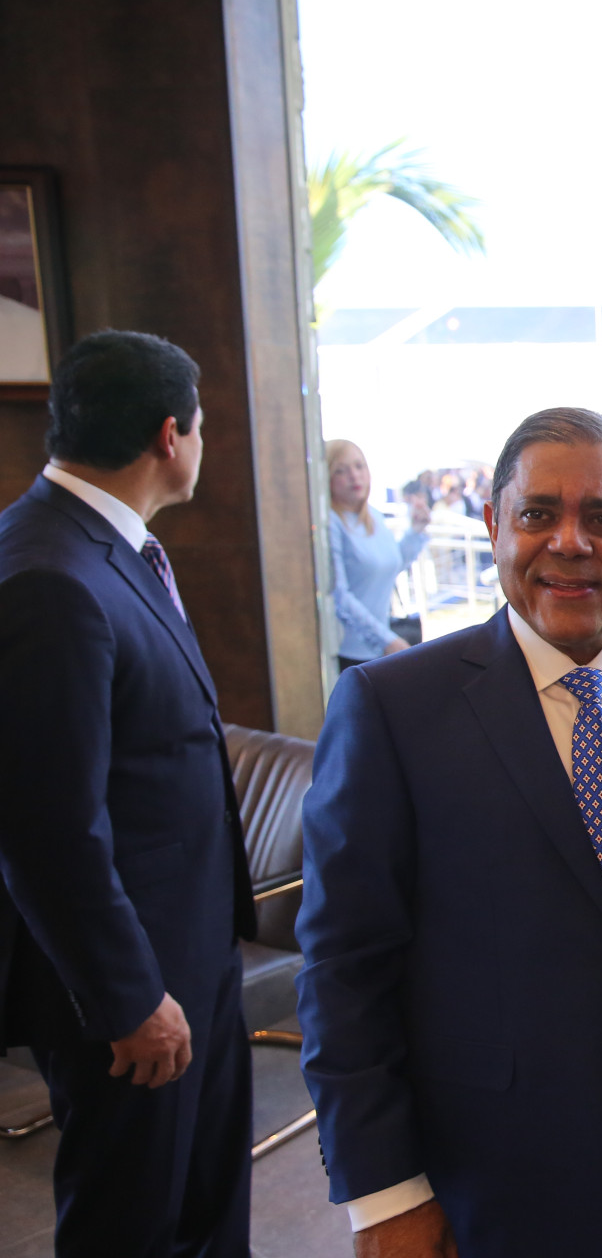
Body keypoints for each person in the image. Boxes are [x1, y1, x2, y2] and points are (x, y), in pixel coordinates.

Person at [296, 408, 602, 1258]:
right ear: (494, 526)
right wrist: (383, 1191)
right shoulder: (392, 708)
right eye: (537, 514)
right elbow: (345, 966)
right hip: (487, 1176)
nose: (569, 543)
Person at [0, 330, 255, 1256]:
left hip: (187, 945)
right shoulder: (49, 577)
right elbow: (47, 826)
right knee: (134, 1223)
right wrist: (130, 997)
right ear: (169, 435)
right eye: (203, 425)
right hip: (134, 980)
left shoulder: (96, 546)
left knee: (203, 1203)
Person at [325, 438, 430, 671]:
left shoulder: (373, 516)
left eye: (359, 466)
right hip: (349, 653)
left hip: (378, 648)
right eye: (341, 470)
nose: (354, 476)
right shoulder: (331, 522)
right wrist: (386, 640)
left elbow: (391, 563)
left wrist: (415, 531)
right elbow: (339, 594)